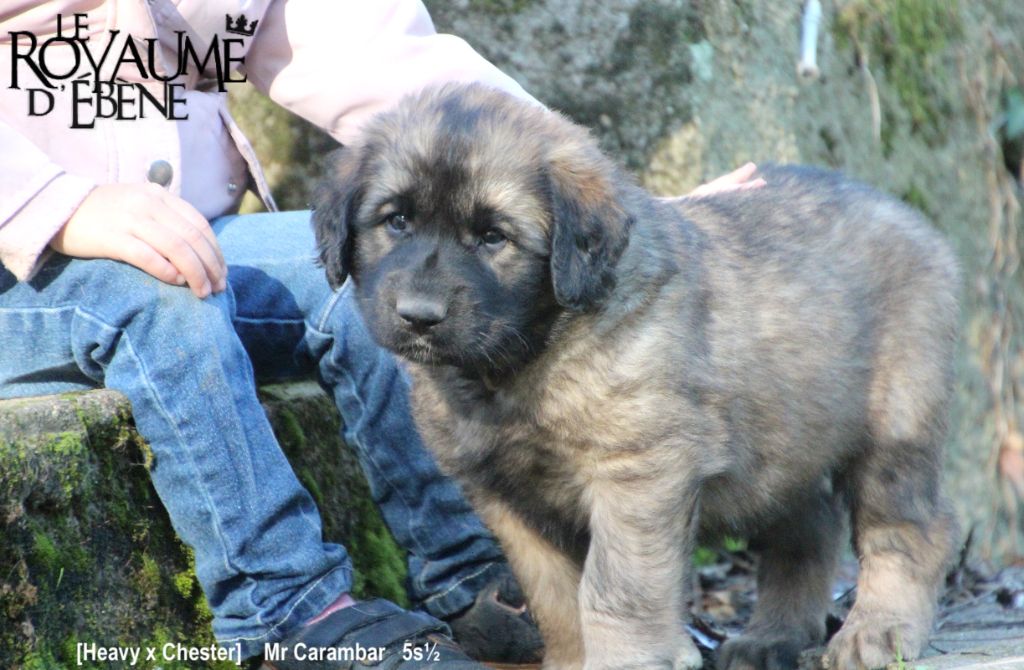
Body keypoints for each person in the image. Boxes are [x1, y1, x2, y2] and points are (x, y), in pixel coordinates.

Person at [0, 2, 761, 667]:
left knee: (370, 285)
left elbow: (384, 63)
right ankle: (294, 617)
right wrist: (54, 204)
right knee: (166, 297)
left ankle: (475, 579)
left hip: (180, 226)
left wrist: (622, 211)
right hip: (22, 251)